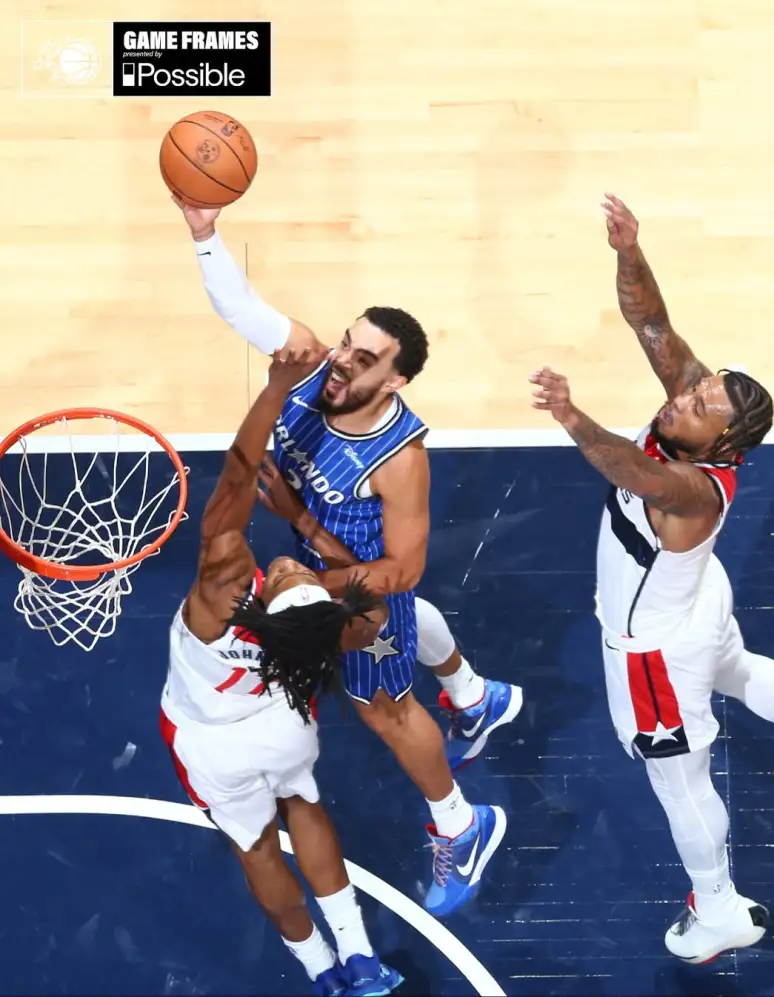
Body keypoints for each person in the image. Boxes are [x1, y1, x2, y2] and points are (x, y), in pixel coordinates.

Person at [171, 195, 523, 917]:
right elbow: (244, 308)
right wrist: (206, 236)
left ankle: (463, 823)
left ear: (393, 381)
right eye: (345, 342)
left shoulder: (401, 460)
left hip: (360, 588)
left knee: (382, 706)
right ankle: (471, 694)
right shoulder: (312, 368)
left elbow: (403, 573)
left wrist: (306, 570)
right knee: (402, 654)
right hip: (316, 552)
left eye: (364, 359)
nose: (341, 362)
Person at [529, 193, 774, 966]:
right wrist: (628, 250)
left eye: (699, 402)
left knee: (681, 784)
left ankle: (717, 907)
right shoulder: (695, 414)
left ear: (724, 439)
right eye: (693, 388)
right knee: (739, 670)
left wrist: (571, 415)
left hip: (654, 654)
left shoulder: (691, 488)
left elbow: (632, 467)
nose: (681, 396)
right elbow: (650, 321)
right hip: (699, 606)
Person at [160, 346, 403, 997]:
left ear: (267, 600)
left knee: (256, 846)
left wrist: (274, 391)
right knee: (303, 799)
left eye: (292, 574)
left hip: (211, 740)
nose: (292, 566)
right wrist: (316, 543)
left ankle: (320, 967)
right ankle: (361, 958)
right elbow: (374, 610)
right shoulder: (334, 633)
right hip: (285, 725)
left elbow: (236, 484)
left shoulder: (222, 593)